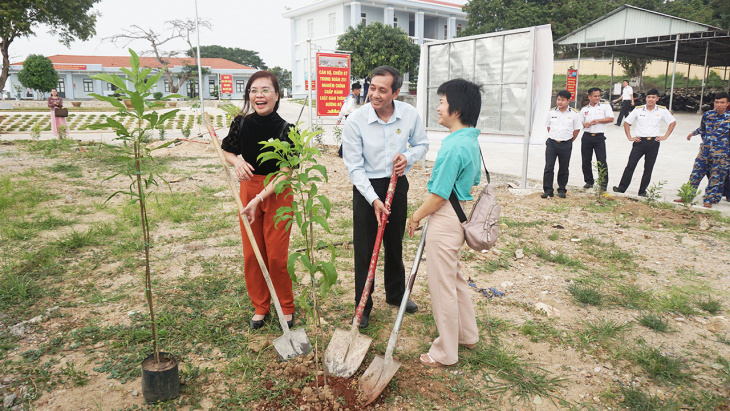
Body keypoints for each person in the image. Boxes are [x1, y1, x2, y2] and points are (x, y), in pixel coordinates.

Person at [342, 66, 429, 328]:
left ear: (396, 92)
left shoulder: (409, 115)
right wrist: (373, 199)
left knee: (394, 241)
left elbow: (422, 144)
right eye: (372, 87)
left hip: (397, 183)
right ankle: (363, 303)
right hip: (366, 188)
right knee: (366, 247)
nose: (375, 94)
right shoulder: (355, 121)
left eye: (383, 89)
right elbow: (354, 168)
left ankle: (396, 294)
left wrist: (408, 157)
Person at [406, 79, 482, 368]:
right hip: (459, 214)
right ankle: (466, 334)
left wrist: (415, 216)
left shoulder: (454, 147)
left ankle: (445, 351)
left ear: (457, 109)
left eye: (442, 102)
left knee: (442, 286)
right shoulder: (469, 140)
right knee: (455, 279)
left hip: (446, 218)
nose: (438, 107)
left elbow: (437, 196)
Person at [221, 71, 296, 330]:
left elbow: (286, 174)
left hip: (277, 192)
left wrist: (260, 197)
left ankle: (285, 305)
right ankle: (260, 305)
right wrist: (238, 161)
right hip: (248, 189)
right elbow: (227, 150)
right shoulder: (240, 123)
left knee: (276, 255)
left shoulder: (287, 129)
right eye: (253, 90)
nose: (259, 95)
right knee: (253, 253)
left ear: (277, 95)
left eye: (265, 90)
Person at [612, 89, 676, 197]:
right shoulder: (638, 110)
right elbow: (627, 122)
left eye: (653, 97)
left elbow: (672, 122)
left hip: (653, 143)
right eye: (649, 97)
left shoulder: (662, 110)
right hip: (639, 142)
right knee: (630, 165)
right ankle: (621, 188)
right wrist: (629, 137)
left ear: (657, 99)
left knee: (648, 168)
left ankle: (642, 191)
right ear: (646, 98)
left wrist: (665, 136)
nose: (650, 99)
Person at [673, 92, 730, 208]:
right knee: (695, 174)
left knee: (716, 177)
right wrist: (693, 133)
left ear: (727, 104)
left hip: (721, 155)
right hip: (704, 152)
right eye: (717, 102)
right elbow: (703, 128)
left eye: (722, 102)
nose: (719, 105)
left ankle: (709, 199)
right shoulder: (708, 115)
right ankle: (687, 196)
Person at [542, 90, 581, 198]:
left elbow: (577, 129)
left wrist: (568, 140)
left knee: (564, 167)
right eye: (558, 99)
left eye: (563, 100)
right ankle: (548, 190)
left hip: (566, 144)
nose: (560, 102)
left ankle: (562, 189)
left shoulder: (574, 114)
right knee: (549, 167)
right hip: (552, 143)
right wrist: (555, 137)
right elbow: (548, 127)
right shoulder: (551, 112)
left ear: (568, 101)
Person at [579, 87, 614, 190]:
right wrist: (584, 124)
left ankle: (603, 183)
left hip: (599, 137)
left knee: (601, 160)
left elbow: (611, 118)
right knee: (586, 160)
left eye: (599, 96)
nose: (597, 98)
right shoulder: (585, 109)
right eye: (595, 96)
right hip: (587, 136)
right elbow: (579, 122)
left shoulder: (605, 106)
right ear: (589, 97)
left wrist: (598, 121)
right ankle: (589, 181)